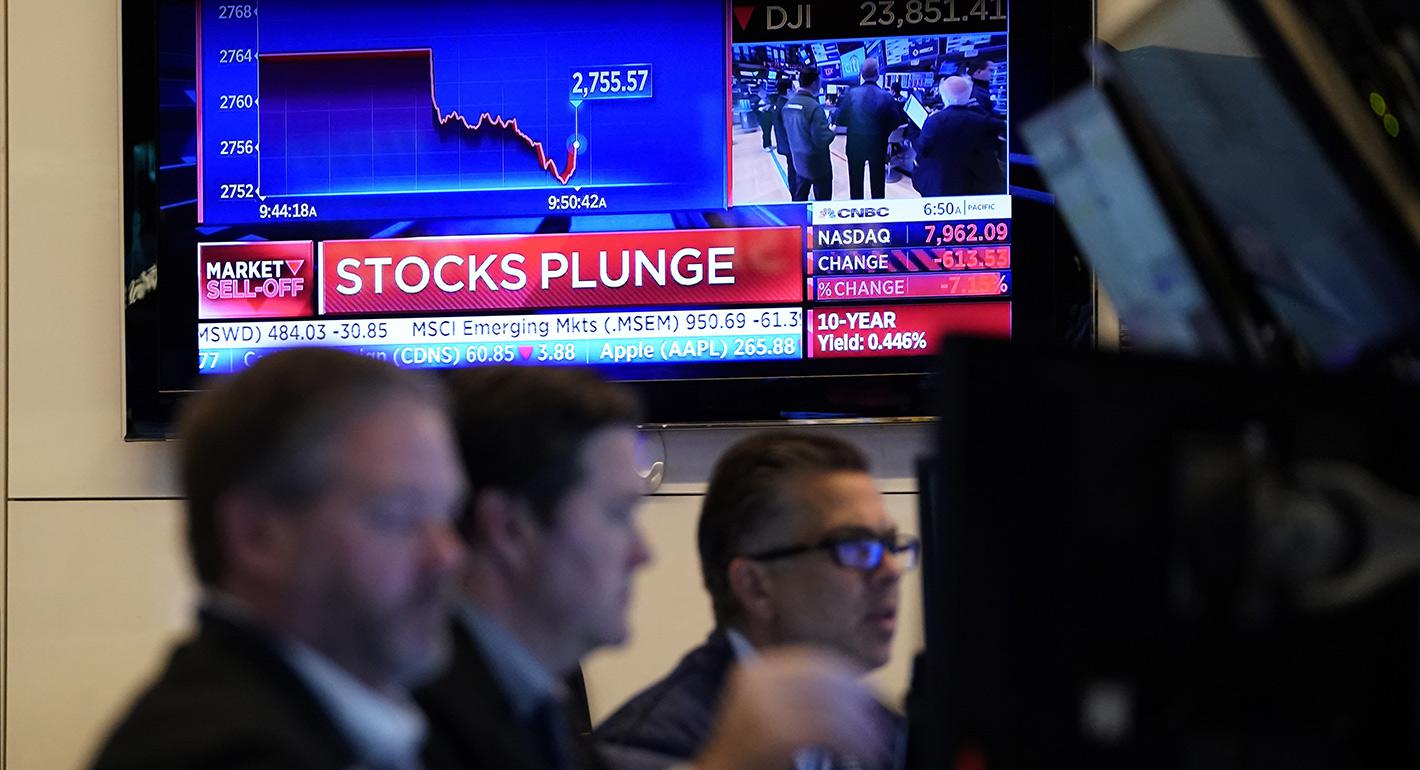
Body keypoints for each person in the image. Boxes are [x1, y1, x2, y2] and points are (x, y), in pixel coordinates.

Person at [418, 370, 888, 770]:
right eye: (616, 515)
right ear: (511, 529)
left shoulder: (542, 698)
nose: (642, 554)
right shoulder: (418, 717)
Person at [89, 349, 469, 770]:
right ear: (257, 536)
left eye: (449, 515)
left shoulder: (350, 729)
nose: (447, 556)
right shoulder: (222, 755)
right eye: (398, 516)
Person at [597, 432, 916, 770]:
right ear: (755, 586)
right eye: (855, 547)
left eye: (890, 545)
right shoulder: (649, 748)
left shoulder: (886, 731)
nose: (891, 570)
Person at [912, 76, 1005, 198]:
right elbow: (1000, 128)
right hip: (973, 187)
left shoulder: (934, 121)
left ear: (943, 96)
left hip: (938, 186)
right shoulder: (981, 120)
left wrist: (915, 129)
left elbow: (921, 149)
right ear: (969, 94)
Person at [835, 57, 907, 199]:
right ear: (877, 74)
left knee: (855, 185)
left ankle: (857, 210)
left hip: (855, 146)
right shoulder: (886, 96)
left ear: (862, 74)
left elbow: (840, 120)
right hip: (878, 147)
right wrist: (883, 132)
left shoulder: (851, 94)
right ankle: (877, 210)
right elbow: (896, 122)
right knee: (878, 186)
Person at [781, 65, 834, 202]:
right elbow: (822, 140)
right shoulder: (814, 107)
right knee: (823, 205)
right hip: (818, 166)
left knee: (799, 199)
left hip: (798, 163)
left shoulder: (787, 106)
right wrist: (832, 131)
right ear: (815, 83)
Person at [770, 77, 799, 195]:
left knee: (792, 170)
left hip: (785, 144)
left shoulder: (779, 103)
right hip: (791, 145)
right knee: (794, 171)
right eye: (793, 88)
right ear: (788, 91)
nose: (795, 91)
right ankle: (796, 195)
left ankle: (795, 192)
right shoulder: (787, 106)